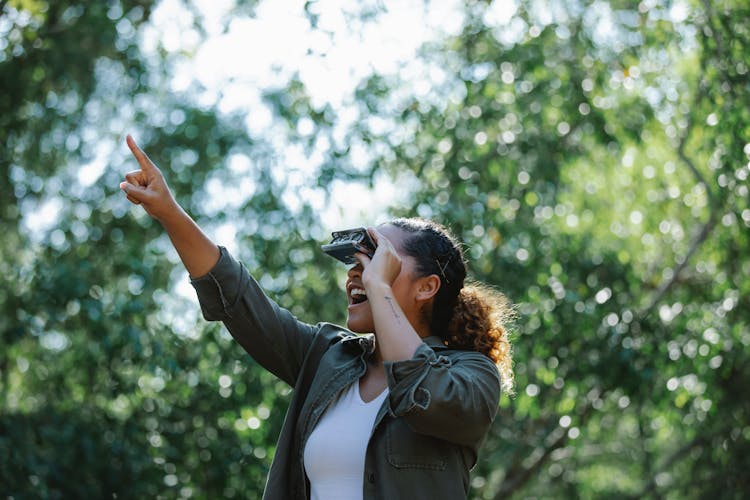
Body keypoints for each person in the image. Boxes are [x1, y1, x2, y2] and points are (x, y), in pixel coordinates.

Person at [120, 134, 514, 500]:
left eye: (376, 258)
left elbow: (420, 394)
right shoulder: (327, 357)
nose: (356, 272)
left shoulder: (472, 377)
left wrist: (378, 289)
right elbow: (239, 299)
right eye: (355, 261)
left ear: (426, 287)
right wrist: (169, 212)